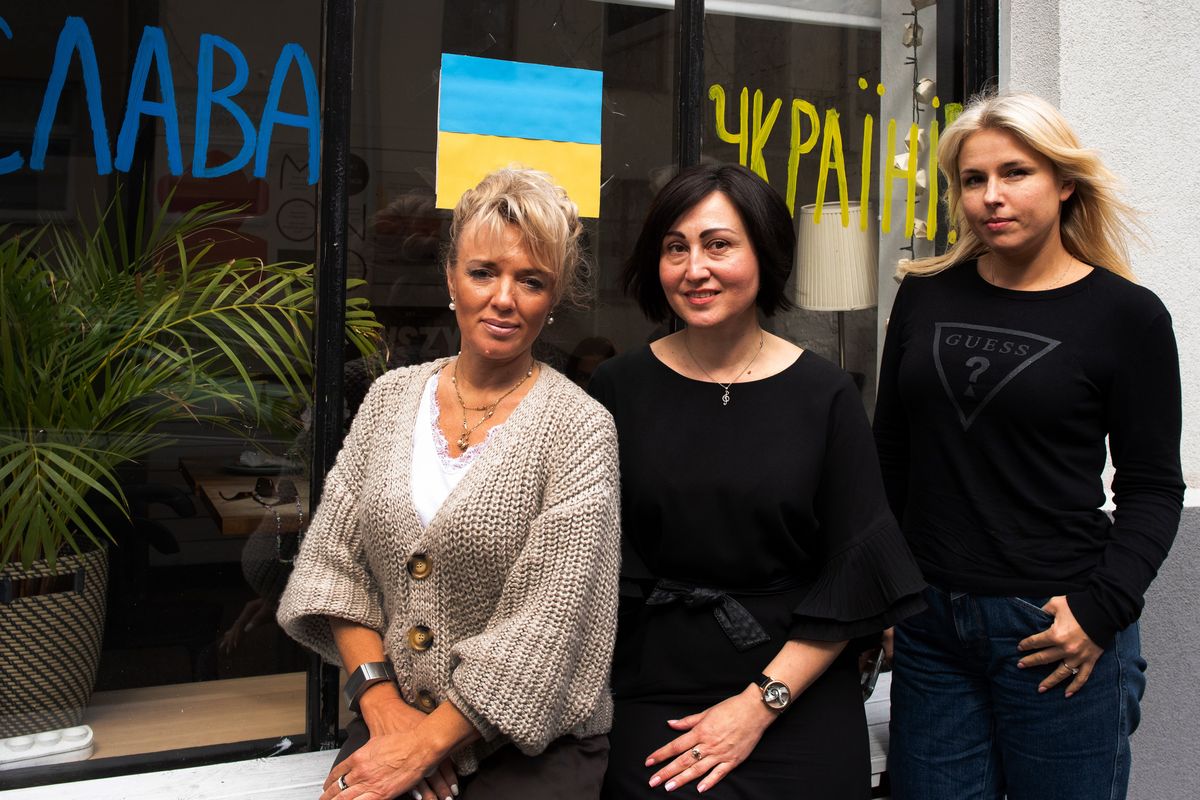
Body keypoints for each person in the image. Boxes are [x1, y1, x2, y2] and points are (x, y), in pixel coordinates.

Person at [873, 92, 1184, 800]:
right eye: (973, 179)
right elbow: (890, 452)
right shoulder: (926, 295)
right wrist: (892, 593)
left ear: (1064, 182)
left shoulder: (1126, 316)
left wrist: (1102, 609)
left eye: (1015, 173)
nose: (991, 197)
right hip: (933, 628)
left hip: (1054, 629)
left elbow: (1153, 487)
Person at [277, 168, 621, 800]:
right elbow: (333, 569)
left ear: (555, 298)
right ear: (451, 277)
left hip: (529, 748)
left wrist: (427, 744)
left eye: (532, 280)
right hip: (390, 717)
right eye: (484, 271)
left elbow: (547, 628)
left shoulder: (581, 429)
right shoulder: (388, 399)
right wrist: (384, 710)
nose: (504, 299)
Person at [589, 163, 926, 798]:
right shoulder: (615, 390)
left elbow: (853, 573)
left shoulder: (825, 394)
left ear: (764, 253)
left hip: (794, 687)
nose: (695, 269)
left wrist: (758, 705)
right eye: (675, 247)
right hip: (652, 685)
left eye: (719, 244)